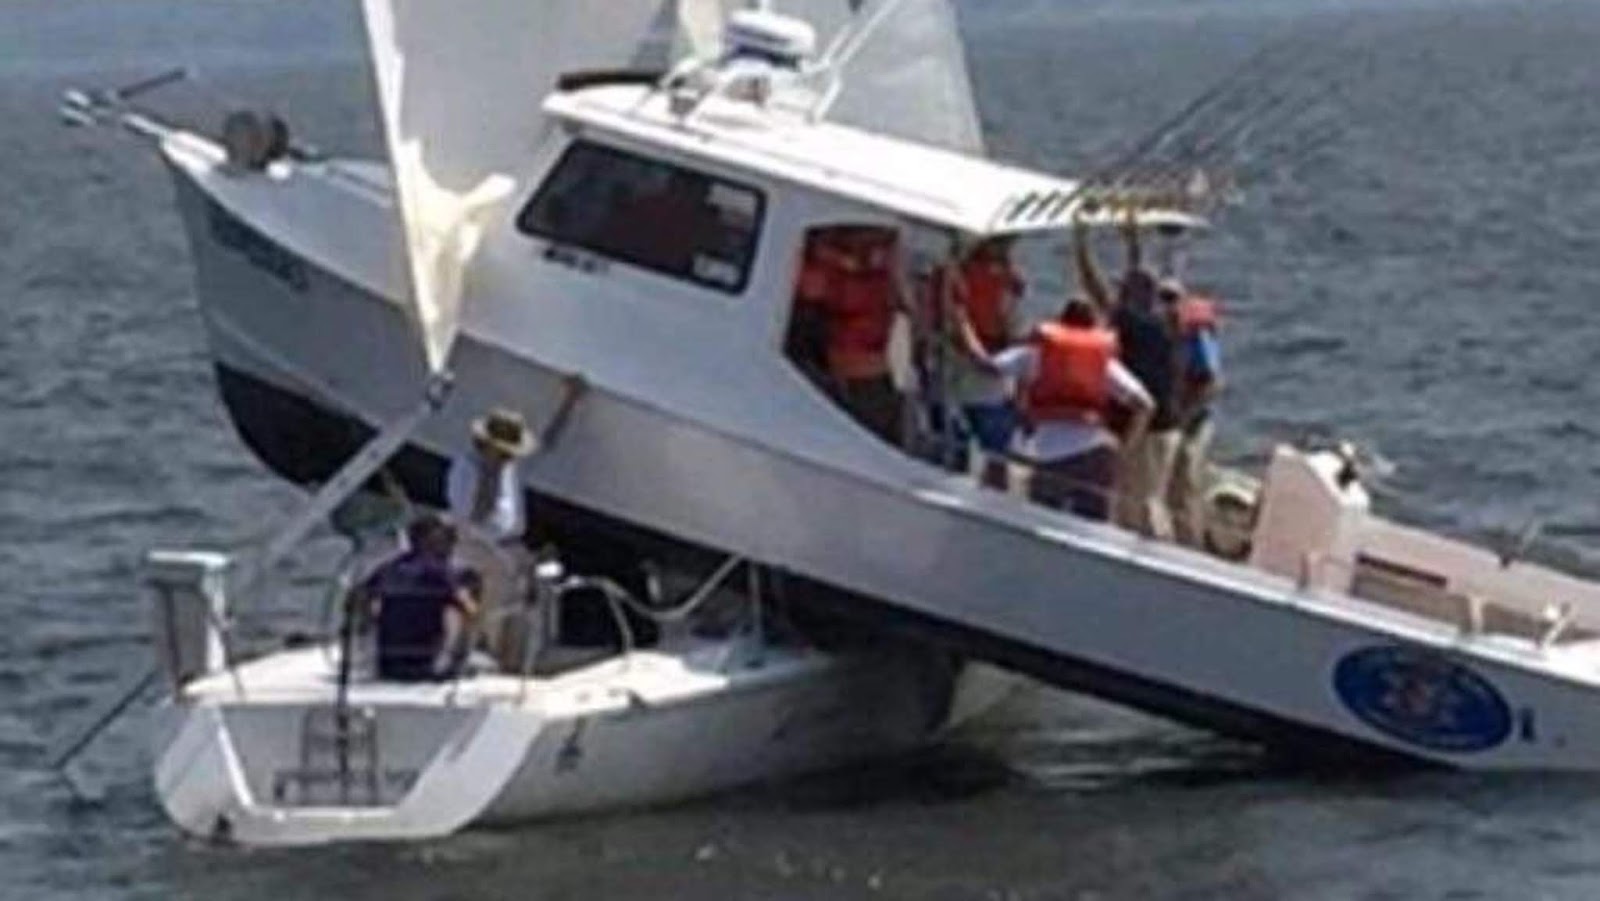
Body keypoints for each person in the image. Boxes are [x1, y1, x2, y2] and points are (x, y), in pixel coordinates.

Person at [991, 297, 1154, 520]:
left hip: (1049, 453)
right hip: (1096, 452)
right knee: (1092, 527)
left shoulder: (1036, 353)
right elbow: (1145, 405)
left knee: (1042, 520)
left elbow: (989, 366)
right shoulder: (1103, 362)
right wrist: (1126, 449)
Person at [1076, 210, 1182, 538]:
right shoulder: (1161, 324)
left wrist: (1080, 244)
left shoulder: (1133, 325)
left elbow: (1095, 288)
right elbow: (1133, 282)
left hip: (1147, 431)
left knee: (1138, 503)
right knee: (1152, 498)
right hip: (1167, 428)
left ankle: (1150, 562)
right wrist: (1132, 242)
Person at [797, 227, 905, 444]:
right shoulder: (866, 278)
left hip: (866, 386)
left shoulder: (870, 285)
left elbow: (813, 287)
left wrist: (829, 257)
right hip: (842, 377)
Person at [936, 238, 1025, 487]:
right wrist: (980, 357)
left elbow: (1010, 324)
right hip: (965, 375)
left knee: (995, 454)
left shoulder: (1007, 280)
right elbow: (958, 318)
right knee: (961, 451)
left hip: (990, 378)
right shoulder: (958, 276)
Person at [360, 515, 478, 682]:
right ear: (429, 540)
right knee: (464, 609)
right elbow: (469, 609)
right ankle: (457, 663)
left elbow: (360, 598)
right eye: (448, 537)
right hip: (422, 667)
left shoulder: (388, 569)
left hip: (387, 665)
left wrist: (376, 619)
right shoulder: (441, 573)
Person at [1160, 279, 1224, 548]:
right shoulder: (1164, 336)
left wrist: (1187, 415)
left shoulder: (1197, 337)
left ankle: (1189, 544)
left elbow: (1212, 382)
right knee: (1169, 483)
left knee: (1184, 483)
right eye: (1163, 299)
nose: (1167, 306)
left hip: (1196, 420)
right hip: (1176, 418)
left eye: (1172, 299)